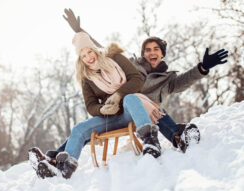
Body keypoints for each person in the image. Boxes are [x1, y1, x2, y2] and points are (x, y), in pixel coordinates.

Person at [61, 8, 228, 148]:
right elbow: (99, 51)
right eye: (147, 49)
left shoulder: (167, 80)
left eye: (156, 49)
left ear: (162, 54)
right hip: (122, 110)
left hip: (149, 115)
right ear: (143, 53)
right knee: (84, 128)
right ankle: (57, 156)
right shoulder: (129, 65)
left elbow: (185, 80)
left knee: (158, 111)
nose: (152, 52)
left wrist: (203, 68)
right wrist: (80, 32)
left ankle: (179, 138)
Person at [29, 32, 187, 179]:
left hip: (131, 111)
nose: (88, 57)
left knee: (130, 98)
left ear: (95, 50)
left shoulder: (116, 58)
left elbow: (137, 80)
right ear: (80, 59)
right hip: (110, 117)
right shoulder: (87, 78)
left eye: (89, 51)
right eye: (83, 55)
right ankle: (63, 168)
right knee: (79, 129)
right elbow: (90, 105)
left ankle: (151, 142)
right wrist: (101, 109)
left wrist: (118, 94)